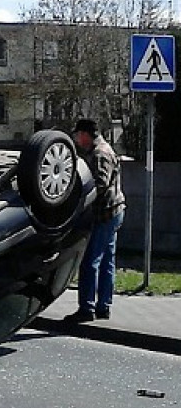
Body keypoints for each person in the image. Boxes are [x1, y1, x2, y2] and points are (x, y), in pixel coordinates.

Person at [64, 118, 126, 322]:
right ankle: (103, 306)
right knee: (108, 259)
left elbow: (100, 185)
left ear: (85, 134)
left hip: (105, 213)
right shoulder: (101, 150)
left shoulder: (100, 154)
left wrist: (79, 204)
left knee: (90, 261)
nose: (76, 139)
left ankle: (87, 308)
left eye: (77, 135)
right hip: (113, 211)